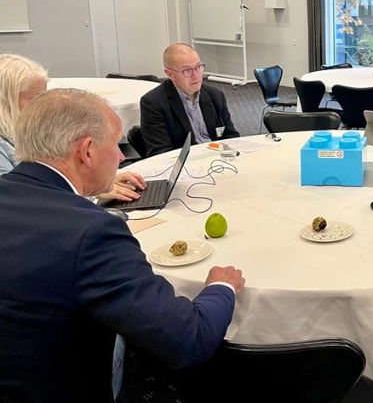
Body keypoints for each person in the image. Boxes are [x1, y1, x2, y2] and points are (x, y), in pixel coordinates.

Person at [0, 89, 245, 403]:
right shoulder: (92, 233)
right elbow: (189, 340)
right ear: (87, 151)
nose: (120, 156)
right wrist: (221, 286)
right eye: (115, 145)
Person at [0, 53, 145, 201]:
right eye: (34, 99)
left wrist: (99, 178)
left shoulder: (33, 131)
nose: (44, 105)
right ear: (5, 101)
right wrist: (90, 193)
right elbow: (17, 199)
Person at [140, 43, 239, 156]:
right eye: (187, 70)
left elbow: (231, 136)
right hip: (186, 164)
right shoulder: (154, 103)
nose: (196, 75)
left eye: (198, 67)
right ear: (170, 74)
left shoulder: (215, 95)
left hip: (218, 158)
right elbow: (160, 153)